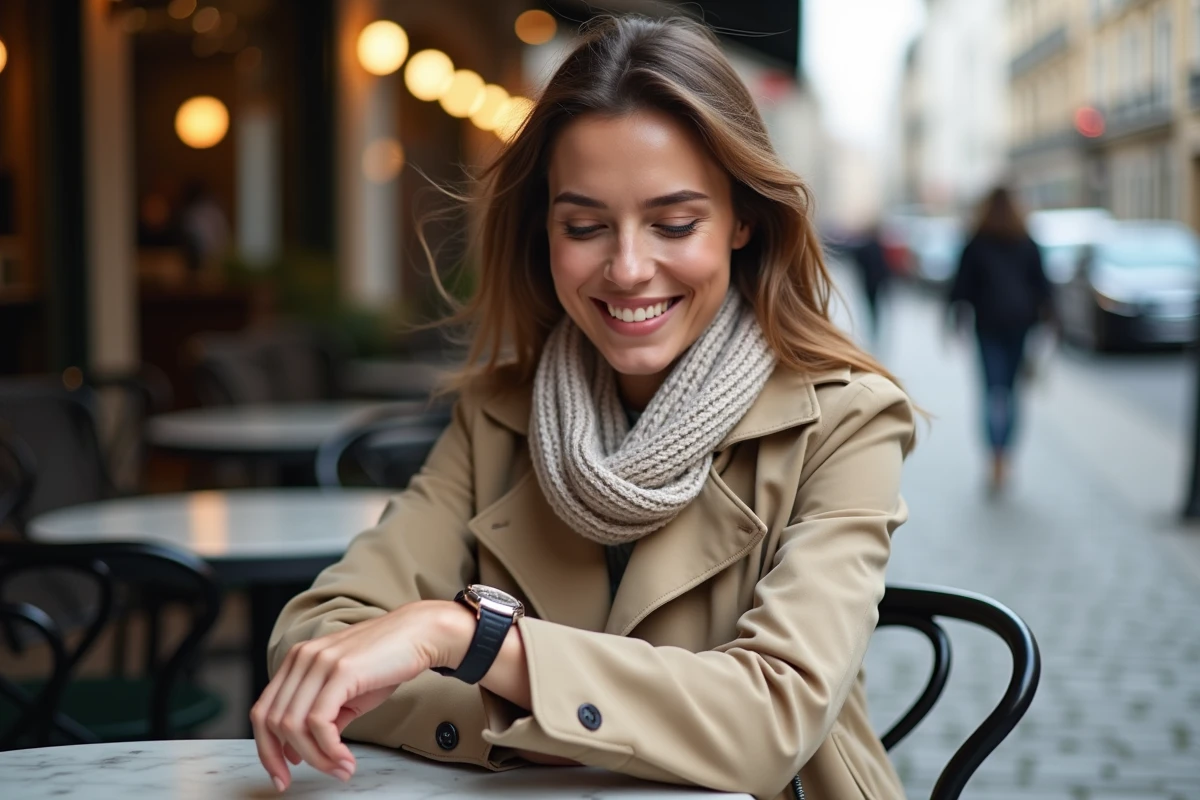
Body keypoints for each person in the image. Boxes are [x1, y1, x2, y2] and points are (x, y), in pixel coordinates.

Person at [252, 16, 916, 800]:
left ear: (743, 219)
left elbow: (768, 722)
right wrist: (554, 721)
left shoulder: (848, 421)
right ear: (544, 232)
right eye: (585, 226)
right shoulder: (502, 412)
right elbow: (318, 639)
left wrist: (457, 638)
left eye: (675, 223)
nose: (629, 267)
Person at [948, 186, 1054, 494]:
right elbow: (1043, 286)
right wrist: (1049, 319)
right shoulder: (1026, 242)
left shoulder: (976, 243)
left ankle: (993, 457)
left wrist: (952, 320)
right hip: (1020, 325)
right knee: (1012, 393)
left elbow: (960, 287)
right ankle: (1007, 455)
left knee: (991, 392)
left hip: (988, 326)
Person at [847, 223, 891, 343]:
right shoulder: (878, 247)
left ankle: (871, 325)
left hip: (868, 282)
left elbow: (858, 264)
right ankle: (874, 325)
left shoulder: (864, 248)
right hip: (876, 282)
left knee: (869, 304)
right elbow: (884, 267)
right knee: (874, 305)